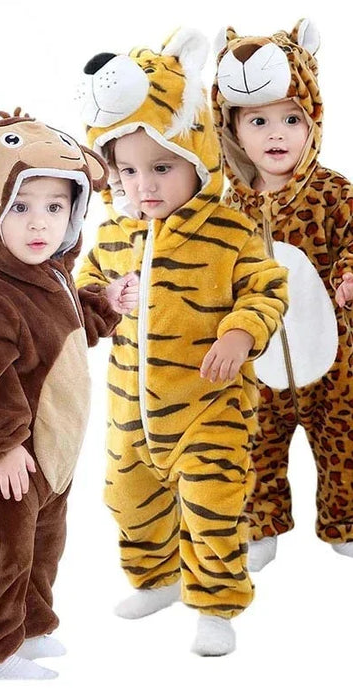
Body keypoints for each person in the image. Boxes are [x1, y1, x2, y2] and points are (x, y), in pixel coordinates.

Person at [76, 28, 288, 655]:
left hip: (209, 407)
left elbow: (266, 288)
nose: (144, 185)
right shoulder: (114, 235)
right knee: (126, 497)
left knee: (213, 507)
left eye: (162, 167)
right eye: (129, 170)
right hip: (131, 412)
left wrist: (240, 333)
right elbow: (79, 297)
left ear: (198, 157)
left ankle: (217, 605)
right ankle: (156, 579)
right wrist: (104, 300)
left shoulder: (229, 231)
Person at [0, 112, 130, 680]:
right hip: (0, 457)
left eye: (55, 207)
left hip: (50, 451)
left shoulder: (50, 274)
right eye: (20, 207)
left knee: (42, 547)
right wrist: (4, 445)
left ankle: (28, 627)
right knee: (2, 554)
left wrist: (106, 303)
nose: (40, 223)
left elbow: (65, 329)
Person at [213, 19, 353, 572]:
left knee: (346, 444)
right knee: (254, 446)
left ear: (312, 120)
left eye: (291, 119)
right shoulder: (229, 207)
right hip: (259, 361)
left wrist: (348, 274)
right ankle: (261, 524)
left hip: (336, 359)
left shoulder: (333, 192)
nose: (277, 134)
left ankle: (345, 519)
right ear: (232, 128)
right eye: (259, 121)